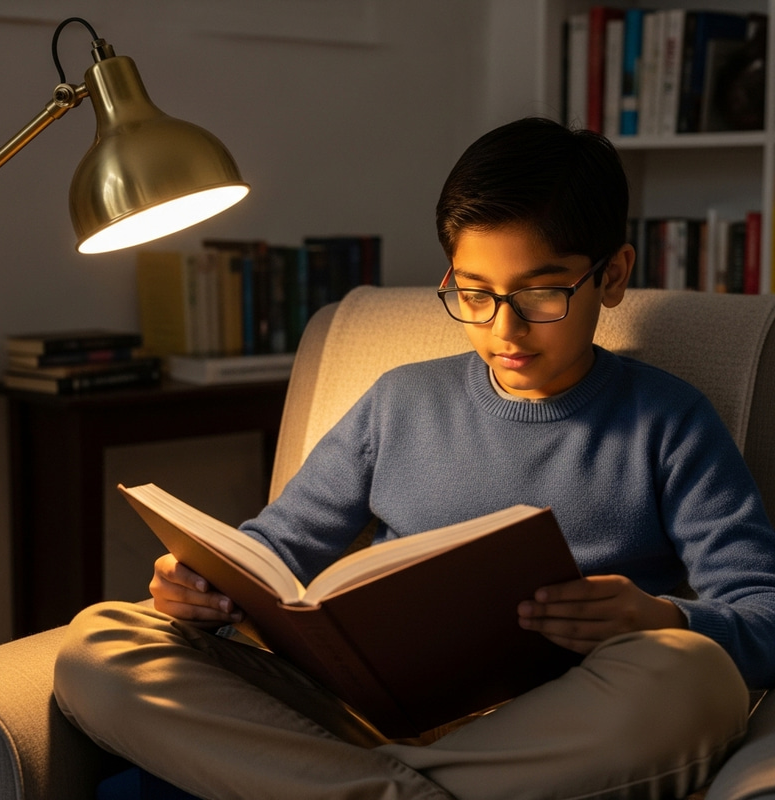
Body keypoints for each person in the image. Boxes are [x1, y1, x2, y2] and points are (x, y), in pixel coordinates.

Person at [54, 117, 775, 800]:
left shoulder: (670, 421)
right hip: (363, 715)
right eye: (474, 294)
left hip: (558, 726)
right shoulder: (399, 403)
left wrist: (663, 619)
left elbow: (763, 615)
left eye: (542, 293)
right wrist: (201, 588)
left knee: (694, 678)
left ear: (613, 276)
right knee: (100, 642)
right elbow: (273, 554)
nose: (505, 328)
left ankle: (333, 785)